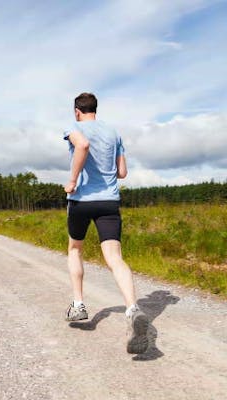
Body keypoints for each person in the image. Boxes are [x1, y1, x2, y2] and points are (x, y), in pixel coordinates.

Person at [62, 92, 149, 354]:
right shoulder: (114, 133)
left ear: (77, 111)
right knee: (114, 257)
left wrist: (73, 180)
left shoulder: (73, 127)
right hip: (109, 202)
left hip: (81, 201)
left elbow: (83, 145)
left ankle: (78, 306)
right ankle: (133, 308)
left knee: (75, 248)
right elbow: (122, 172)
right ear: (95, 109)